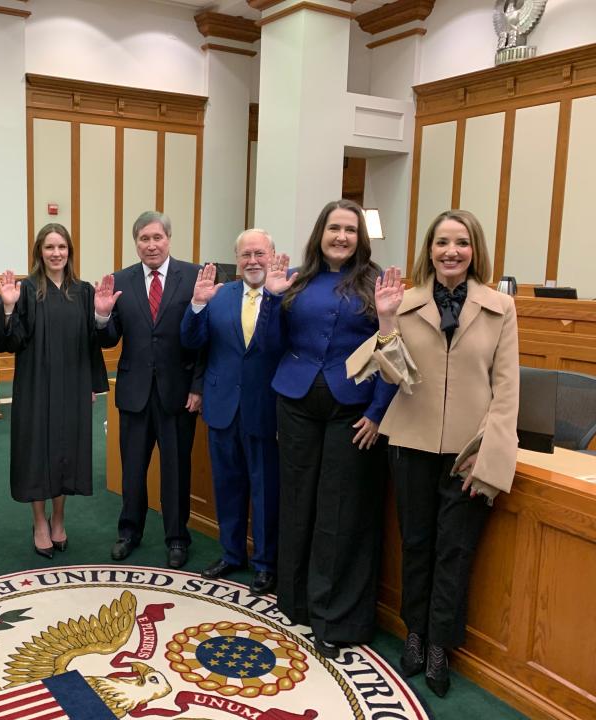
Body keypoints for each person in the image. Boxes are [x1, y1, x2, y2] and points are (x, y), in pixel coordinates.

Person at [347, 210, 519, 697]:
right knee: (417, 543)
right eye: (442, 242)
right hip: (411, 444)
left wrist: (487, 454)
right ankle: (416, 632)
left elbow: (506, 389)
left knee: (456, 549)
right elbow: (392, 375)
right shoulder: (404, 302)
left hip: (468, 451)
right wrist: (385, 321)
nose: (451, 251)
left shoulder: (500, 307)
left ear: (474, 249)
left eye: (461, 242)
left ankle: (442, 641)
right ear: (429, 249)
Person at [260, 198, 396, 658]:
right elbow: (273, 344)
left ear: (361, 238)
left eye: (351, 230)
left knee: (341, 512)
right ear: (321, 232)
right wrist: (273, 299)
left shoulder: (378, 284)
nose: (341, 236)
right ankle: (295, 601)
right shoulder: (297, 279)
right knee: (297, 501)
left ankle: (334, 615)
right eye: (334, 228)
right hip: (295, 403)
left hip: (353, 411)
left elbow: (392, 352)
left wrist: (378, 412)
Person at [94, 210, 203, 569]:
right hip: (135, 393)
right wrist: (102, 316)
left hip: (177, 392)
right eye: (144, 239)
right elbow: (110, 341)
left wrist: (199, 386)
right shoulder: (120, 280)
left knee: (175, 470)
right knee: (133, 470)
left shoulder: (193, 277)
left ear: (169, 239)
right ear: (135, 242)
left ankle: (176, 538)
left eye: (157, 238)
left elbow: (206, 340)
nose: (151, 245)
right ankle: (129, 532)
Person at [0, 224, 109, 558]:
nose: (56, 253)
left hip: (73, 384)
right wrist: (8, 308)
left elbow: (93, 340)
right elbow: (11, 342)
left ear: (69, 251)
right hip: (34, 384)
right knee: (36, 451)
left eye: (62, 247)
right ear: (39, 252)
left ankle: (58, 518)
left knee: (65, 451)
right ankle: (39, 522)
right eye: (49, 247)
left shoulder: (84, 291)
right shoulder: (26, 290)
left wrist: (92, 383)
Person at [180, 228, 280, 595]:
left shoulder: (284, 296)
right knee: (227, 485)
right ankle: (231, 552)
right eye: (245, 256)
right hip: (222, 406)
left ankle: (266, 563)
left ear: (272, 254)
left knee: (265, 488)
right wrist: (197, 305)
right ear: (236, 260)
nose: (252, 261)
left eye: (259, 254)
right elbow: (192, 341)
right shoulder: (220, 296)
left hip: (264, 407)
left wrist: (278, 297)